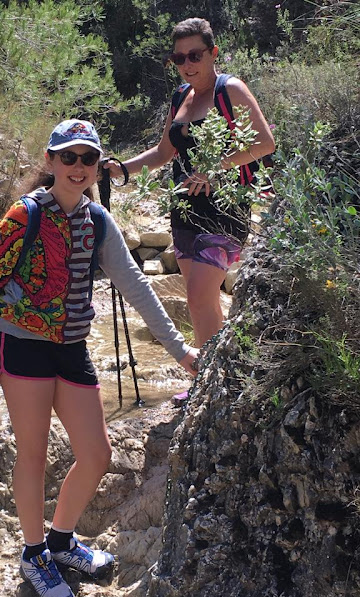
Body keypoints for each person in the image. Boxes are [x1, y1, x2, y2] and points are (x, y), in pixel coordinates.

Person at [0, 119, 198, 597]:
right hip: (23, 345)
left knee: (96, 453)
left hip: (71, 346)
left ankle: (60, 541)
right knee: (31, 453)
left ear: (99, 167)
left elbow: (137, 287)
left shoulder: (99, 222)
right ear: (51, 162)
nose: (78, 167)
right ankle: (34, 555)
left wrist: (180, 351)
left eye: (88, 159)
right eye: (68, 157)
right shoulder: (23, 215)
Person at [106, 17, 275, 406]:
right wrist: (122, 169)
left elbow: (265, 142)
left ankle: (216, 383)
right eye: (179, 57)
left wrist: (216, 169)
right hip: (183, 208)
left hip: (224, 207)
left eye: (195, 54)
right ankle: (215, 380)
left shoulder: (228, 89)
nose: (187, 63)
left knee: (199, 298)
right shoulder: (180, 96)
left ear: (213, 53)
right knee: (204, 302)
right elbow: (165, 153)